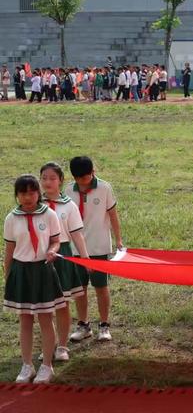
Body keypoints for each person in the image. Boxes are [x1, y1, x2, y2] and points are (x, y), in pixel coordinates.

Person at [3, 175, 64, 383]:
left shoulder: (49, 214)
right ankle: (27, 365)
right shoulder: (11, 218)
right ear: (17, 195)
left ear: (38, 193)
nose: (28, 197)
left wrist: (52, 251)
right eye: (22, 193)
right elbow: (9, 249)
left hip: (43, 270)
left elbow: (56, 241)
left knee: (46, 318)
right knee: (25, 319)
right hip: (21, 272)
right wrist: (8, 276)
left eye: (32, 192)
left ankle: (47, 365)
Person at [64, 156, 123, 342]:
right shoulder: (67, 191)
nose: (84, 181)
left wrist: (118, 240)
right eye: (80, 179)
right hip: (76, 249)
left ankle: (104, 325)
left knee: (100, 286)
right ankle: (83, 325)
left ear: (93, 172)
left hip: (99, 247)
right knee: (79, 289)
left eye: (87, 177)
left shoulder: (104, 188)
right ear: (74, 177)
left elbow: (113, 215)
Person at [40, 162, 90, 361]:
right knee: (43, 306)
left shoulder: (69, 205)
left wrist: (85, 259)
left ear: (61, 180)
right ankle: (47, 346)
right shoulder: (35, 204)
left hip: (62, 255)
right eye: (44, 178)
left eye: (52, 178)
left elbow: (77, 234)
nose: (48, 182)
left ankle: (62, 346)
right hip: (40, 257)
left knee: (62, 304)